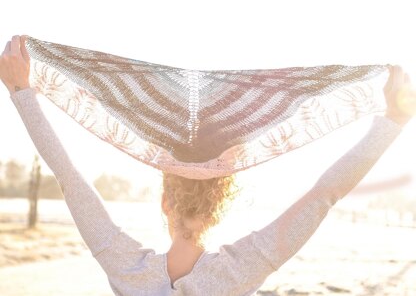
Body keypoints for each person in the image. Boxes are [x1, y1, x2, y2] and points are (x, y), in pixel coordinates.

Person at [0, 34, 414, 296]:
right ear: (224, 199)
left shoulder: (124, 265)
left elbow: (70, 179)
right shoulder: (244, 268)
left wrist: (22, 91)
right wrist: (393, 122)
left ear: (164, 199)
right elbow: (325, 194)